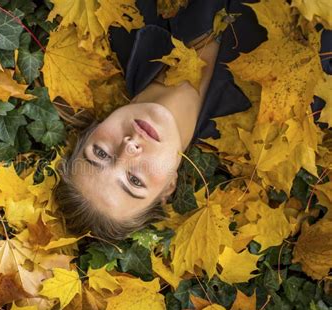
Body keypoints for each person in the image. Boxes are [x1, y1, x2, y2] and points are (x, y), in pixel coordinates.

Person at [54, 0, 332, 240]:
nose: (128, 149)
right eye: (135, 181)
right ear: (169, 187)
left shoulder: (121, 19)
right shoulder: (279, 115)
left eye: (100, 152)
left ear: (93, 130)